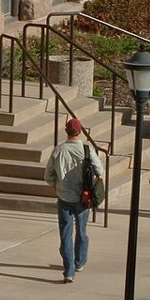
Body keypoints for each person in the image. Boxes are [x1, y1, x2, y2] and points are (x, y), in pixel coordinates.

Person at [44, 116, 105, 284]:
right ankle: (80, 261)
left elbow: (48, 175)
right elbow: (100, 170)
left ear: (66, 131)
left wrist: (56, 187)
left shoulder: (58, 150)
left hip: (64, 197)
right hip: (83, 197)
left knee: (65, 235)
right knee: (82, 231)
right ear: (80, 131)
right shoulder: (87, 149)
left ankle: (68, 271)